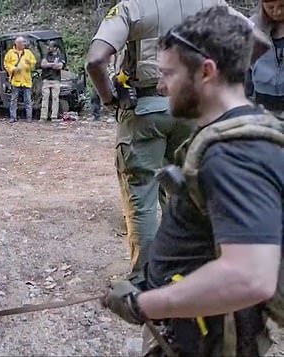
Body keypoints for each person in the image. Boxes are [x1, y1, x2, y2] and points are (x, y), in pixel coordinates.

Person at [101, 6, 282, 356]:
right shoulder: (230, 134)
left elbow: (250, 277)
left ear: (206, 72)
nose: (161, 84)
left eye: (169, 73)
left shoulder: (233, 155)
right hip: (197, 329)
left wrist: (146, 305)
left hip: (212, 340)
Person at [85, 0, 252, 281]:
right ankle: (194, 271)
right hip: (195, 111)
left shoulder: (132, 7)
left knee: (142, 197)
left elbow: (95, 60)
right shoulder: (212, 4)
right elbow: (254, 36)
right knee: (191, 193)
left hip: (146, 110)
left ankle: (146, 279)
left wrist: (109, 98)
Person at [246, 0, 284, 115]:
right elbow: (246, 65)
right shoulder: (252, 27)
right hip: (263, 99)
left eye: (282, 6)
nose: (277, 12)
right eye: (271, 7)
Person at [4, 36, 36, 122]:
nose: (24, 44)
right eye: (22, 43)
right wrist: (13, 69)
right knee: (14, 100)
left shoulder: (28, 53)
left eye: (24, 42)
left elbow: (34, 63)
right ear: (17, 44)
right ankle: (13, 117)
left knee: (28, 100)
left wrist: (30, 64)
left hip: (26, 80)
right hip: (16, 80)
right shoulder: (10, 53)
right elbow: (6, 64)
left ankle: (29, 118)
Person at [39, 40, 64, 122]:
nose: (48, 48)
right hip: (46, 80)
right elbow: (43, 64)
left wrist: (49, 65)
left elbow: (60, 66)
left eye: (50, 46)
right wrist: (53, 64)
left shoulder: (60, 56)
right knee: (45, 98)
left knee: (55, 98)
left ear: (55, 48)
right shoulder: (45, 55)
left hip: (56, 80)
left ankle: (54, 117)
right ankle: (43, 117)